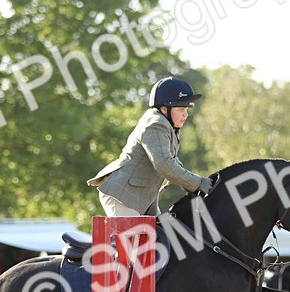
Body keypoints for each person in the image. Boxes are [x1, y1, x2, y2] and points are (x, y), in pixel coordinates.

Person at [87, 76, 213, 216]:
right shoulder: (156, 124)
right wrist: (198, 183)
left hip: (143, 198)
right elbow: (164, 164)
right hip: (123, 196)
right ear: (165, 109)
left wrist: (191, 185)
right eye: (181, 109)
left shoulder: (167, 125)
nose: (185, 114)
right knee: (133, 237)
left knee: (166, 235)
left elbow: (173, 163)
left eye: (187, 110)